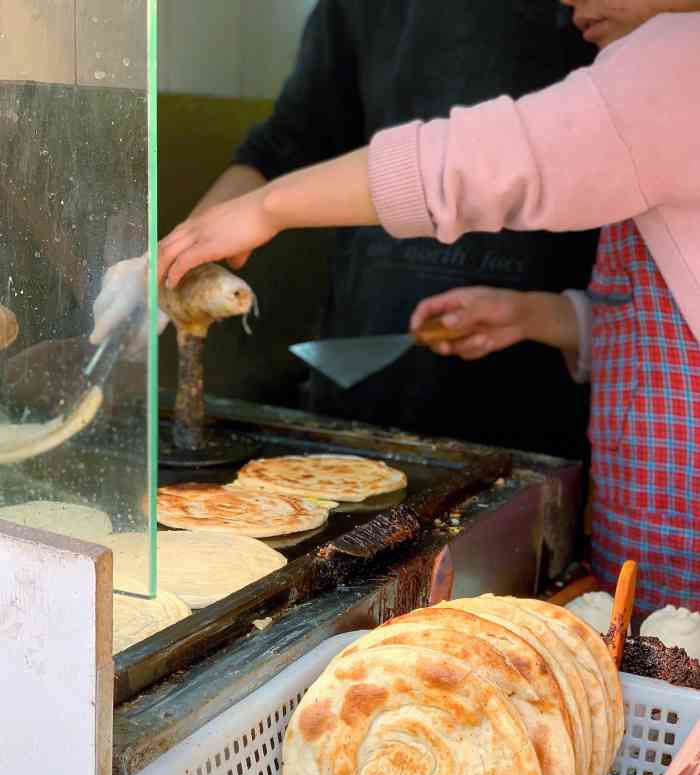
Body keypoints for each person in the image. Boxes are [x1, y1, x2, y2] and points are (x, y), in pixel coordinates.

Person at [157, 3, 700, 616]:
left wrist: (265, 209)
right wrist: (541, 317)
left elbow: (478, 162)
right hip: (644, 544)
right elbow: (659, 329)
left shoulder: (676, 59)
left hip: (661, 528)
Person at [93, 1, 599, 459]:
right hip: (356, 384)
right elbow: (283, 146)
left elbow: (468, 159)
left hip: (534, 401)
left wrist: (268, 210)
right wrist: (176, 258)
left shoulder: (594, 12)